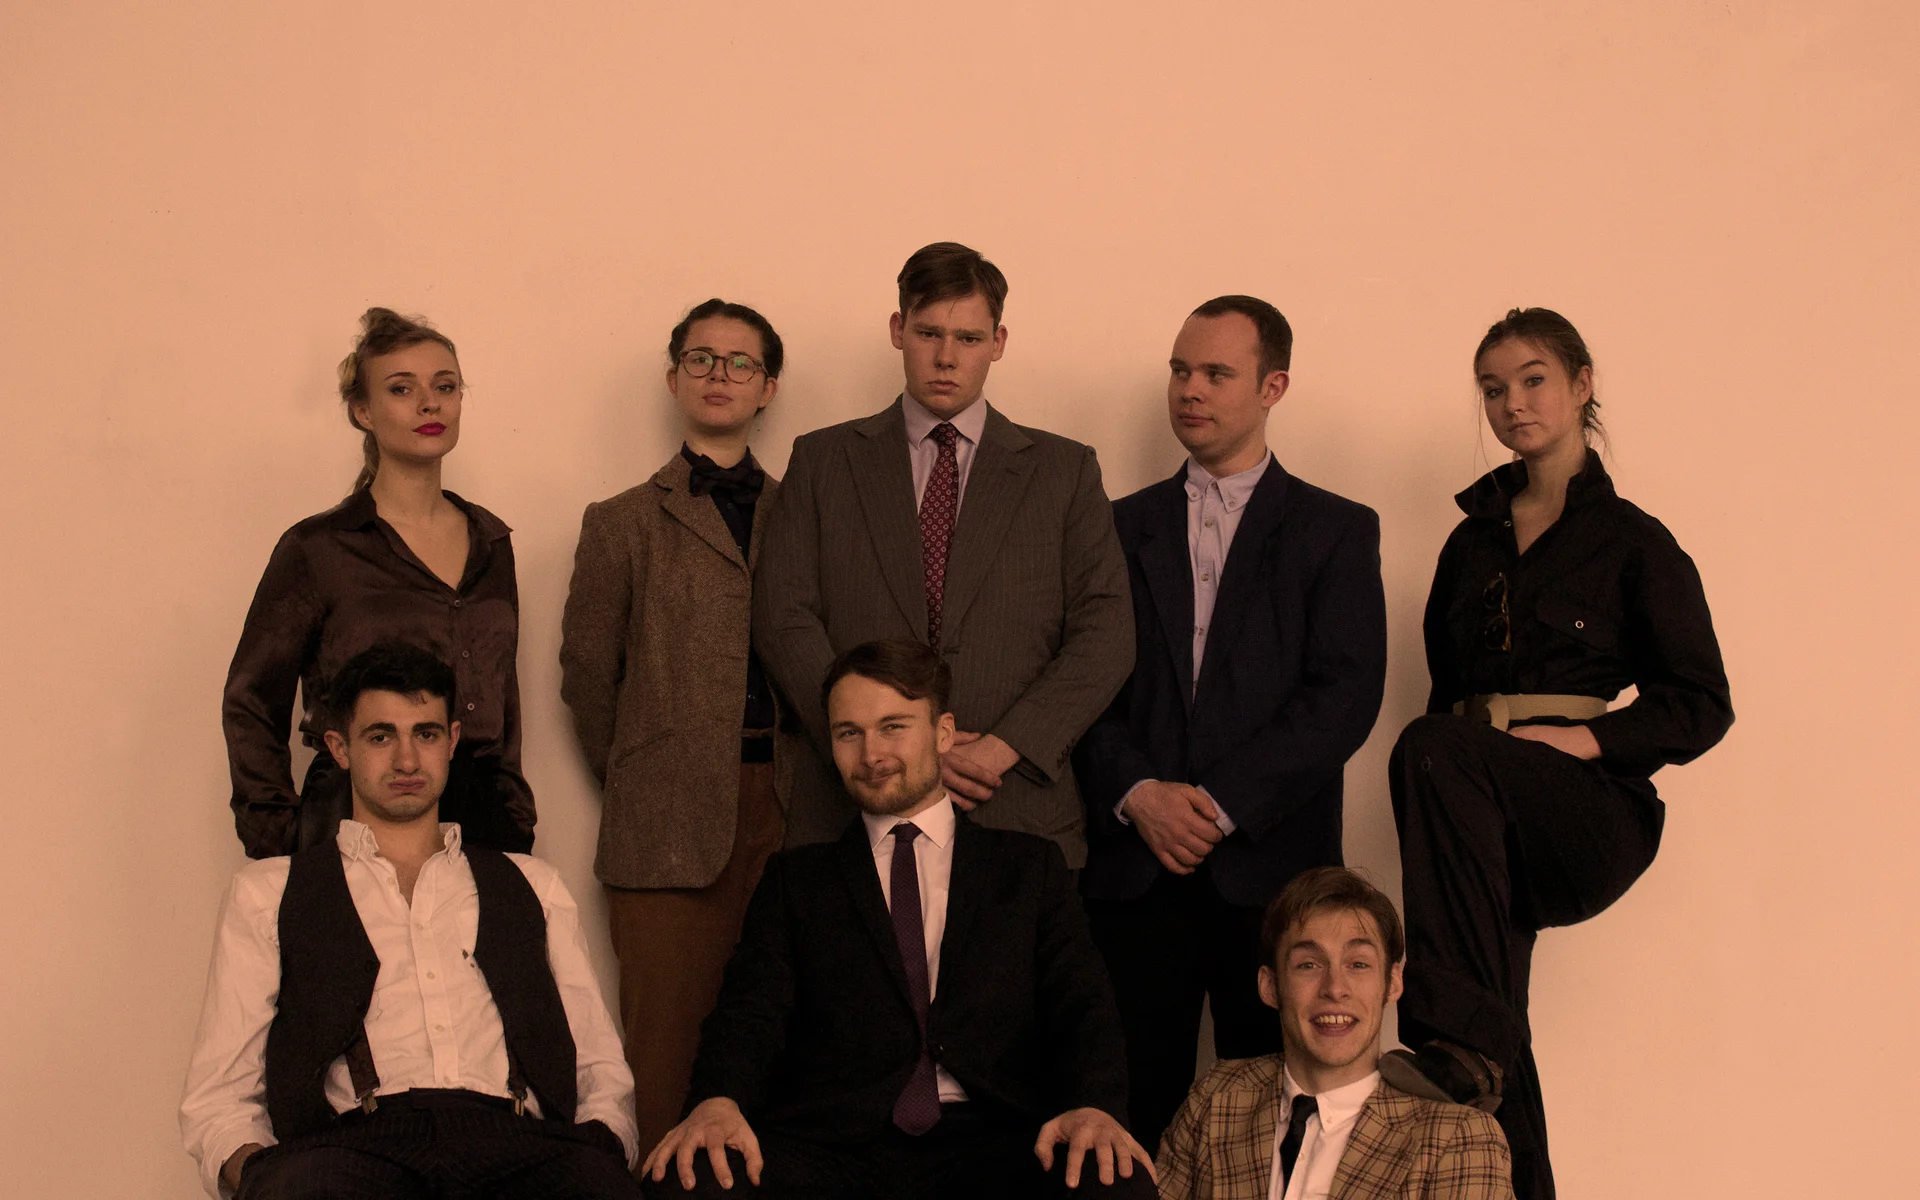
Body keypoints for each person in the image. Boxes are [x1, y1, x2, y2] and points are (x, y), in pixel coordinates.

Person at [1381, 308, 1734, 1200]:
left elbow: (1703, 703)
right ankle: (1487, 1087)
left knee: (1429, 746)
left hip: (1586, 813)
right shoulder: (1469, 545)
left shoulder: (1635, 542)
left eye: (1533, 380)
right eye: (1493, 389)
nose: (1513, 403)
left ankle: (1453, 1039)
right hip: (1477, 808)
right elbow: (1444, 691)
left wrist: (1585, 739)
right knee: (1497, 1021)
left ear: (1581, 386)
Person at [642, 639, 1156, 1200]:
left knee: (1115, 1182)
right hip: (832, 1146)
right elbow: (749, 1013)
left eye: (893, 727)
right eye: (849, 733)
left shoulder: (1029, 869)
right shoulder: (797, 881)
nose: (871, 754)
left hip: (996, 1142)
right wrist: (717, 1101)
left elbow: (1082, 1004)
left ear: (942, 732)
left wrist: (1095, 1105)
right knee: (687, 1180)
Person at [1075, 296, 1388, 1152]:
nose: (1190, 390)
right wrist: (1139, 794)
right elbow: (1081, 683)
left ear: (1272, 387)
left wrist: (1217, 805)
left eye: (1216, 373)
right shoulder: (1112, 525)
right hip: (1134, 875)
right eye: (1181, 370)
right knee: (1128, 1123)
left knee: (1279, 1129)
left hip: (1274, 876)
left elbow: (1345, 696)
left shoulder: (1336, 529)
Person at [180, 642, 639, 1199]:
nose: (406, 761)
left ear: (451, 741)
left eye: (425, 734)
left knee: (598, 1184)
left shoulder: (533, 885)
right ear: (340, 748)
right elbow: (221, 1097)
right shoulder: (268, 893)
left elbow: (599, 1067)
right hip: (351, 1151)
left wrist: (603, 1147)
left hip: (517, 1144)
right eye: (381, 736)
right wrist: (262, 1176)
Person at [752, 241, 1133, 862]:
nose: (947, 357)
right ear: (898, 330)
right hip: (851, 807)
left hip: (1013, 804)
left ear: (998, 342)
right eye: (928, 332)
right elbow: (783, 616)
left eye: (969, 338)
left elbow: (1106, 633)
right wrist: (875, 745)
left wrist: (1002, 748)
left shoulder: (1064, 471)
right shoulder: (823, 461)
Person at [560, 298, 795, 1157]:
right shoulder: (621, 521)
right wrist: (647, 771)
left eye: (740, 362)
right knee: (667, 1054)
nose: (719, 375)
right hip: (662, 823)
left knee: (792, 1044)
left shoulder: (808, 512)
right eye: (701, 359)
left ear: (769, 387)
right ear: (673, 378)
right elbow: (589, 681)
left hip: (793, 808)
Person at [223, 307, 533, 858]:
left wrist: (514, 816)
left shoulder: (491, 542)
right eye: (401, 389)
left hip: (483, 824)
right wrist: (278, 837)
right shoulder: (320, 548)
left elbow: (502, 697)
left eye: (445, 386)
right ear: (362, 411)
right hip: (351, 814)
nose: (429, 404)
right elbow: (251, 699)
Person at [1157, 867, 1514, 1200]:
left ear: (1392, 983)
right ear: (1270, 986)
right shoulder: (1215, 1098)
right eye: (1308, 965)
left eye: (1358, 964)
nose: (1335, 988)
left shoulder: (1458, 1138)